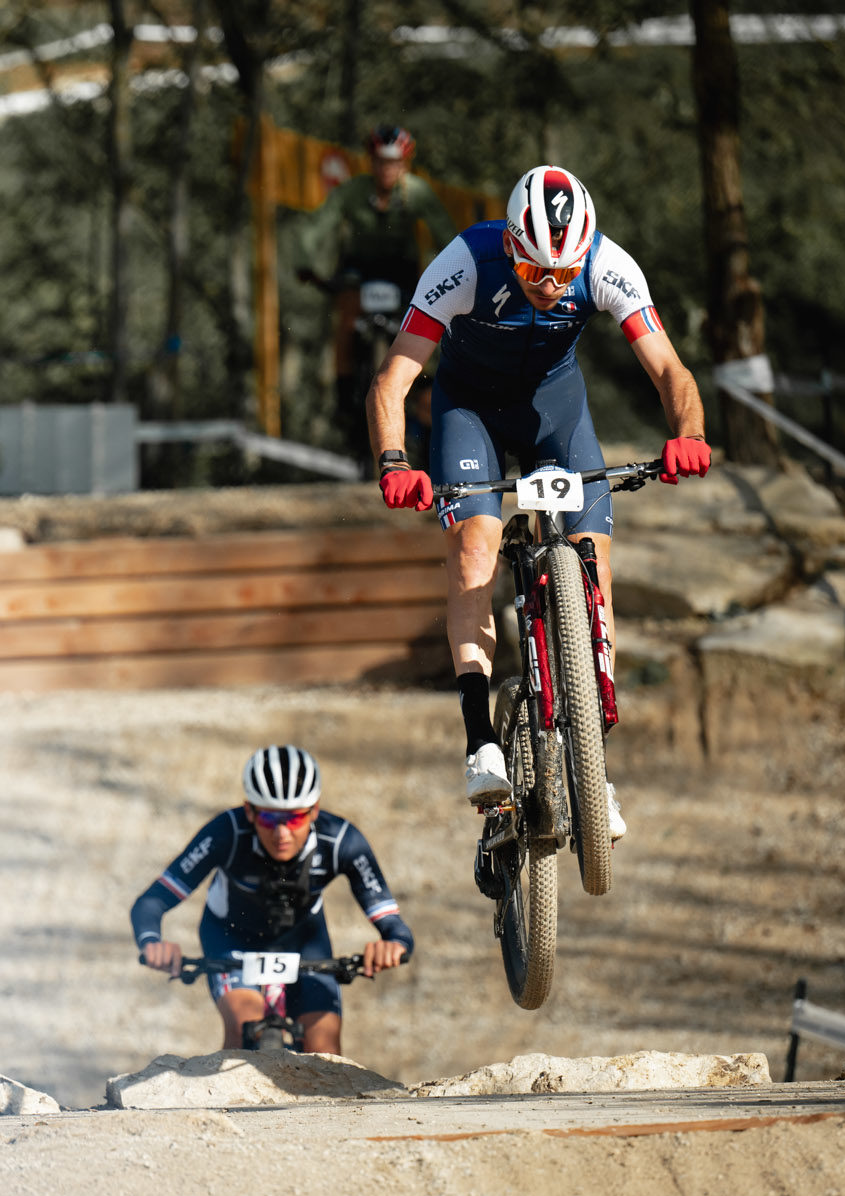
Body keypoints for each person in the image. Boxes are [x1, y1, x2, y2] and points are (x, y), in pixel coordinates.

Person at [368, 165, 714, 837]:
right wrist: (394, 461)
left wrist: (690, 435)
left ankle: (594, 769)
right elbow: (393, 379)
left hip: (556, 414)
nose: (552, 286)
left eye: (565, 274)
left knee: (594, 563)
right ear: (511, 245)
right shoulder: (466, 261)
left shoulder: (607, 264)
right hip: (469, 411)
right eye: (534, 272)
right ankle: (481, 744)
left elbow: (671, 370)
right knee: (475, 549)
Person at [130, 745, 414, 1055]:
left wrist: (393, 944)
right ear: (249, 811)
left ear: (314, 810)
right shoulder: (226, 833)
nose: (282, 834)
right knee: (244, 1029)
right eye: (268, 817)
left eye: (294, 819)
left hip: (305, 941)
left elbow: (392, 923)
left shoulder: (342, 841)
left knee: (325, 1048)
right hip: (230, 937)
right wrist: (152, 941)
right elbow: (152, 901)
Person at [295, 126, 460, 437]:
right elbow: (317, 226)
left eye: (394, 163)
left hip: (402, 270)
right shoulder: (352, 191)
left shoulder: (417, 192)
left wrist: (456, 269)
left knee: (424, 322)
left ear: (405, 164)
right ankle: (344, 394)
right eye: (381, 162)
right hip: (359, 269)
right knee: (346, 315)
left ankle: (426, 390)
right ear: (370, 162)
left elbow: (446, 234)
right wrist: (305, 262)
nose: (387, 169)